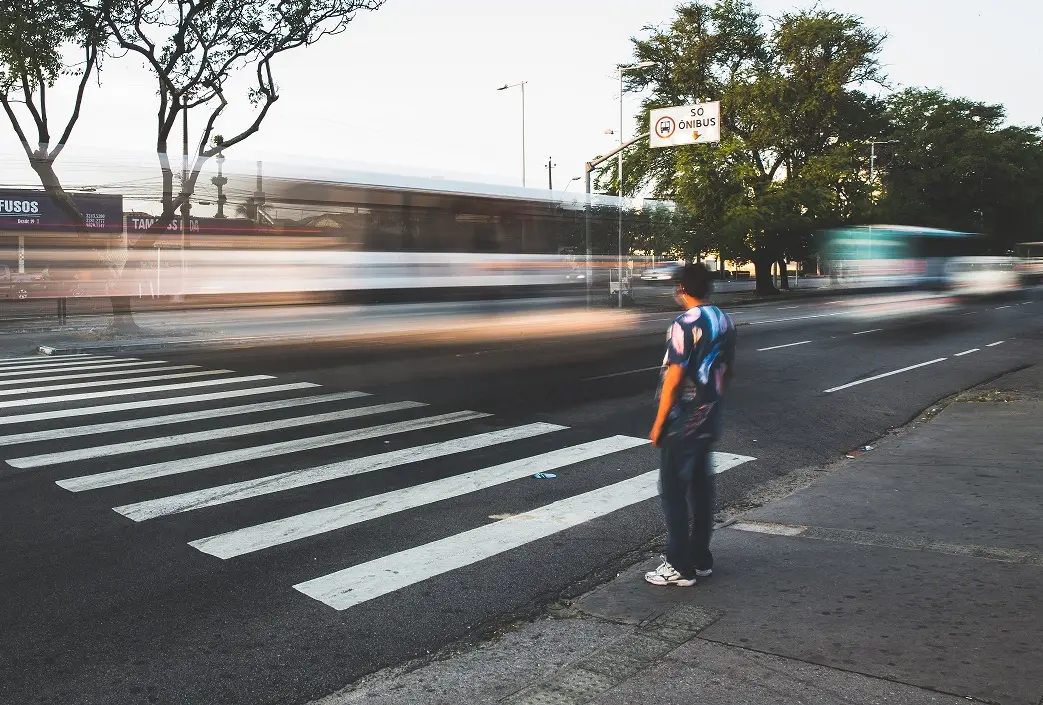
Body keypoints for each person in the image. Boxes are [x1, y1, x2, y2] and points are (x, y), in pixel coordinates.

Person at [646, 263, 736, 587]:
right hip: (710, 414)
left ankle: (678, 566)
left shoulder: (684, 324)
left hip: (683, 419)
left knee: (673, 491)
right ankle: (700, 559)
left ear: (681, 289)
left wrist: (659, 423)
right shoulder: (725, 321)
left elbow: (674, 377)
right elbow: (726, 370)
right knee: (701, 490)